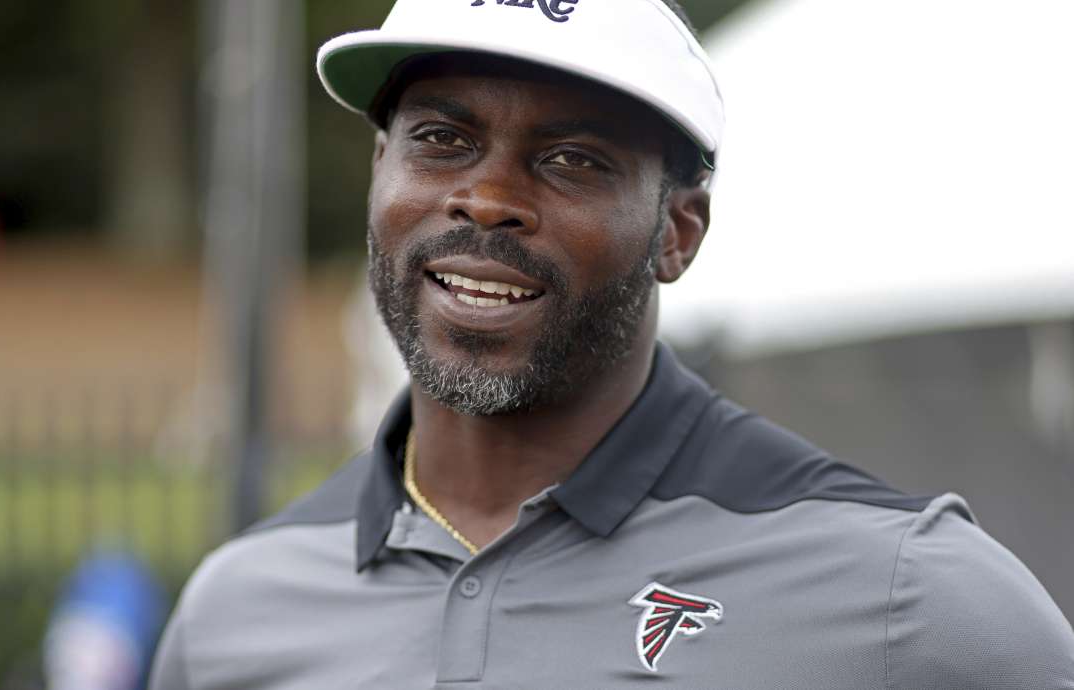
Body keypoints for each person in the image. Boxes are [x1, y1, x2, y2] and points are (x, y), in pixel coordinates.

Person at [150, 0, 1074, 687]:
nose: (486, 198)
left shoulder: (909, 594)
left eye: (572, 160)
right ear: (379, 174)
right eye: (441, 138)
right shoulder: (240, 605)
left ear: (678, 232)